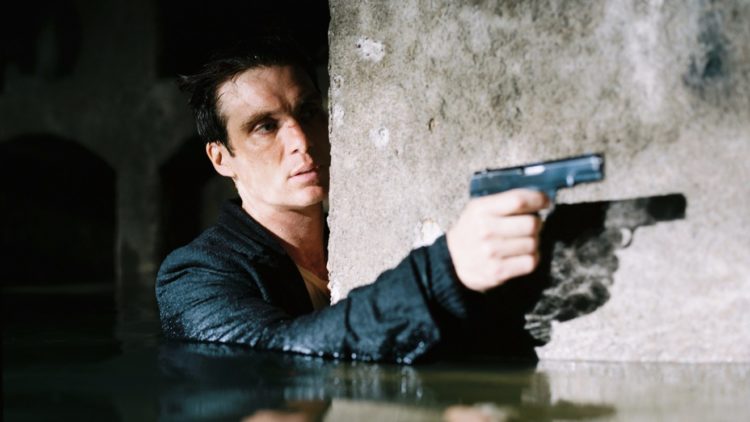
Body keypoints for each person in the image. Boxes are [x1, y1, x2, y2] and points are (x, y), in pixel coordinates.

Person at [156, 36, 549, 364]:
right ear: (221, 158)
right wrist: (445, 272)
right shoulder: (193, 274)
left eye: (309, 112)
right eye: (265, 126)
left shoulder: (360, 241)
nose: (301, 140)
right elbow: (277, 355)